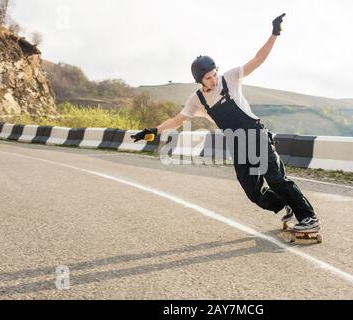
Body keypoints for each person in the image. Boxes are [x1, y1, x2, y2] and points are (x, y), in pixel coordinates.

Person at [132, 13, 320, 231]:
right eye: (208, 78)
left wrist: (274, 34)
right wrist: (151, 131)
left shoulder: (230, 79)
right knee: (253, 192)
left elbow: (258, 60)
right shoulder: (197, 100)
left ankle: (309, 218)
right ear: (199, 80)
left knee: (276, 178)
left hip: (256, 135)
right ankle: (286, 206)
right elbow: (176, 121)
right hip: (238, 144)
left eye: (214, 74)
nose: (213, 79)